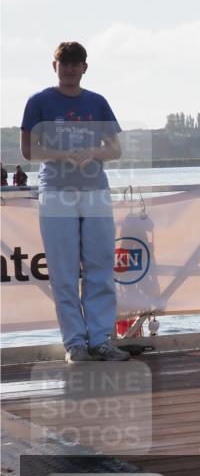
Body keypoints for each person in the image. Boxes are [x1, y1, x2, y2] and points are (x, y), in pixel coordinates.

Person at [20, 41, 129, 363]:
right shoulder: (38, 102)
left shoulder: (97, 102)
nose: (69, 69)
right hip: (56, 192)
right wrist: (63, 155)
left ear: (85, 67)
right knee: (64, 272)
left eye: (75, 63)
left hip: (94, 191)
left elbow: (115, 150)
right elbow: (29, 151)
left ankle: (101, 340)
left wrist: (92, 152)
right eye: (63, 63)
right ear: (55, 67)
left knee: (99, 268)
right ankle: (75, 345)